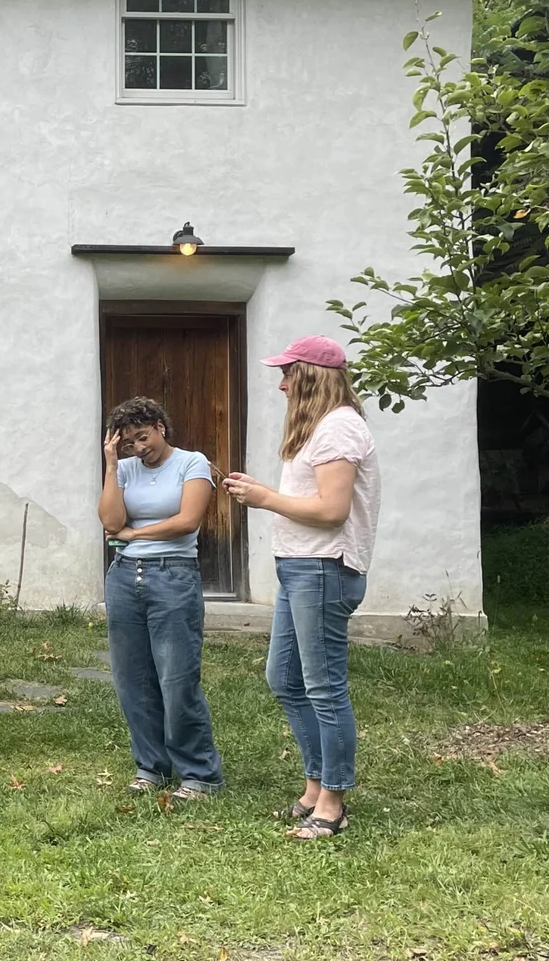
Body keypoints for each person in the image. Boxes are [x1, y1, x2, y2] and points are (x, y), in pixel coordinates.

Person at [223, 335, 381, 841]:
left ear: (311, 375)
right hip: (299, 567)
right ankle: (316, 785)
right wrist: (265, 493)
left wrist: (265, 497)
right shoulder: (320, 429)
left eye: (289, 373)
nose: (282, 383)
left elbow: (333, 512)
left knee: (324, 687)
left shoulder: (339, 428)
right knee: (284, 679)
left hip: (323, 568)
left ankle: (332, 804)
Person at [97, 396, 225, 800]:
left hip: (173, 576)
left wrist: (135, 535)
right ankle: (151, 767)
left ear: (160, 427)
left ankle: (200, 774)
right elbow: (111, 521)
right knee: (132, 679)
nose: (139, 447)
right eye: (129, 442)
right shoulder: (127, 468)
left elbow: (187, 521)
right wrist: (111, 465)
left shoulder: (192, 463)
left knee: (176, 678)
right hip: (123, 578)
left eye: (143, 436)